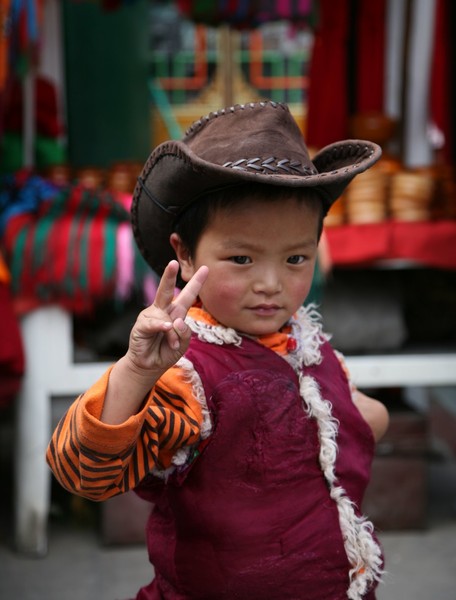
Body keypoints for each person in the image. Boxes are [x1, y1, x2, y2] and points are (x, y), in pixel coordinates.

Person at [47, 101, 389, 600]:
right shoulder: (187, 374)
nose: (270, 284)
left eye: (296, 258)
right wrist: (138, 372)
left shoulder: (305, 344)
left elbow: (360, 417)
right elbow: (83, 472)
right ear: (184, 254)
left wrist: (352, 414)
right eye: (241, 258)